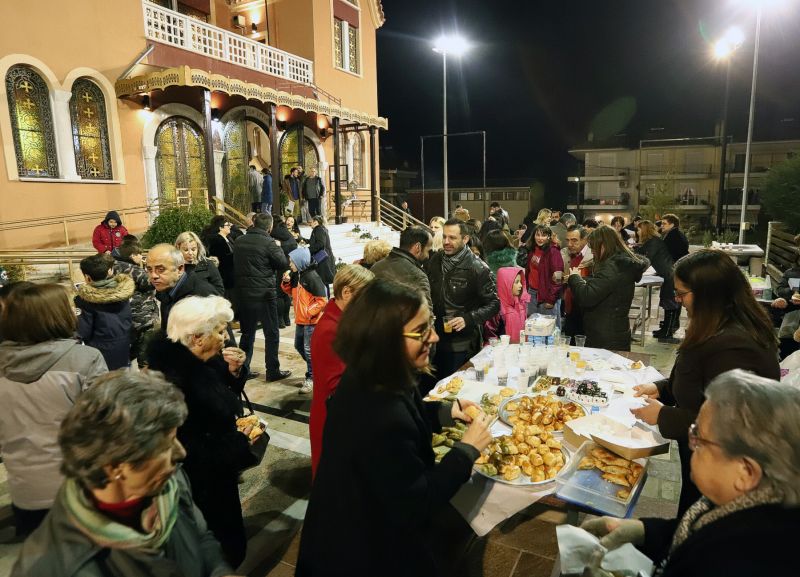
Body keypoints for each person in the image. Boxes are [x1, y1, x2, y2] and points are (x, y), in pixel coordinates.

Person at [296, 279, 493, 577]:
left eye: (432, 324)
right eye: (422, 330)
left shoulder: (374, 372)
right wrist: (466, 450)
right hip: (358, 552)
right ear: (385, 337)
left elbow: (408, 411)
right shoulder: (380, 413)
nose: (435, 337)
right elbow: (418, 502)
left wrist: (445, 411)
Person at [11, 369, 237, 577]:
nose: (181, 452)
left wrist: (220, 572)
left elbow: (200, 538)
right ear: (116, 465)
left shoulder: (169, 481)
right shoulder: (53, 566)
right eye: (166, 445)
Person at [582, 370, 800, 577]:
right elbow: (694, 532)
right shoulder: (742, 506)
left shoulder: (736, 562)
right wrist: (644, 531)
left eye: (700, 437)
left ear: (745, 472)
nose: (690, 442)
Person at [631, 249, 780, 515]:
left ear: (709, 294)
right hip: (705, 459)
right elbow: (698, 375)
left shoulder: (736, 345)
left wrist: (663, 415)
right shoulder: (713, 325)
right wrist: (663, 388)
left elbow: (731, 422)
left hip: (726, 473)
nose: (679, 301)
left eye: (682, 294)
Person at [146, 296, 256, 567]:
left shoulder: (200, 361)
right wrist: (236, 446)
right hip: (202, 484)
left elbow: (222, 390)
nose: (224, 339)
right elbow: (186, 444)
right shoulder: (175, 381)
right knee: (214, 543)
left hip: (215, 475)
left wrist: (234, 370)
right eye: (219, 332)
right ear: (196, 337)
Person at [0, 283, 107, 536]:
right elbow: (106, 425)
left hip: (25, 491)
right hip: (81, 488)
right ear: (57, 314)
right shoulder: (86, 359)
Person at [309, 265, 374, 477]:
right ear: (347, 292)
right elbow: (337, 387)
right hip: (336, 421)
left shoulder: (344, 321)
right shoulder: (331, 330)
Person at [426, 219, 499, 380]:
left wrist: (468, 318)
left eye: (452, 238)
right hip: (435, 338)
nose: (446, 242)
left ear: (465, 239)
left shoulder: (478, 267)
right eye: (444, 237)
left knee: (452, 391)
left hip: (462, 343)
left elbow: (494, 304)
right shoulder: (435, 260)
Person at [567, 226, 649, 351]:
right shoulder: (620, 265)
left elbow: (587, 296)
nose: (592, 251)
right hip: (615, 332)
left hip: (605, 337)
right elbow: (604, 286)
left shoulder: (612, 267)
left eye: (594, 247)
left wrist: (574, 278)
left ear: (603, 246)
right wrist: (586, 280)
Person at [232, 213, 291, 381]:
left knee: (247, 333)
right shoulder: (269, 243)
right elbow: (282, 263)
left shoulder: (239, 241)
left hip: (244, 294)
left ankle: (243, 370)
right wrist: (279, 247)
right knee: (271, 333)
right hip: (265, 294)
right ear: (269, 227)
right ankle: (272, 371)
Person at [74, 254, 134, 371]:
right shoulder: (123, 292)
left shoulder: (85, 300)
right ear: (110, 271)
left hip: (100, 351)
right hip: (124, 346)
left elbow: (83, 331)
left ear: (87, 277)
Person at [281, 247, 327, 394]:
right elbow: (291, 293)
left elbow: (322, 300)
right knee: (299, 346)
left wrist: (308, 312)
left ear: (299, 261)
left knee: (308, 350)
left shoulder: (312, 277)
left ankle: (312, 377)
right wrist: (286, 282)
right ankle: (317, 371)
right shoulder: (297, 275)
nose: (290, 264)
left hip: (311, 321)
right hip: (301, 320)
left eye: (292, 262)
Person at [145, 244, 216, 331]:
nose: (153, 276)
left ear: (180, 269)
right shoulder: (165, 290)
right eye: (149, 270)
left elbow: (220, 337)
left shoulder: (202, 294)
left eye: (160, 270)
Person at [112, 240, 158, 363]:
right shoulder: (132, 269)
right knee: (145, 354)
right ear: (132, 256)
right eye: (139, 254)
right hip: (141, 316)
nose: (141, 257)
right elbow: (150, 283)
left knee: (129, 350)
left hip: (123, 315)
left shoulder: (113, 266)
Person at [635, 219, 679, 341]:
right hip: (667, 273)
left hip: (669, 275)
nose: (637, 232)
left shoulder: (653, 242)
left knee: (669, 303)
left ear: (644, 230)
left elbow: (645, 259)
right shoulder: (653, 241)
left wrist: (636, 272)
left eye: (639, 229)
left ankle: (667, 333)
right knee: (667, 302)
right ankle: (665, 330)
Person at [371, 226, 433, 305]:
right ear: (418, 247)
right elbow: (426, 314)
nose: (428, 256)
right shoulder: (418, 276)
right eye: (428, 251)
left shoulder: (376, 267)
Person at [517, 224, 564, 321]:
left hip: (547, 295)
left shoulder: (553, 251)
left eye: (543, 235)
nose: (540, 238)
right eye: (537, 235)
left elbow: (558, 278)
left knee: (549, 328)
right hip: (532, 293)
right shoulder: (532, 249)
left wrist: (551, 299)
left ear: (548, 237)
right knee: (533, 328)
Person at [561, 225, 593, 337]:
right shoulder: (568, 254)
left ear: (585, 239)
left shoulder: (593, 258)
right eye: (568, 240)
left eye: (574, 241)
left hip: (585, 311)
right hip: (570, 308)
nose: (570, 244)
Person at [484, 266, 530, 344]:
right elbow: (490, 335)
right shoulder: (497, 308)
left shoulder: (521, 304)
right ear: (506, 284)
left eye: (521, 282)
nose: (520, 285)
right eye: (516, 282)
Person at [175, 231, 225, 296]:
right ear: (178, 248)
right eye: (186, 250)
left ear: (198, 248)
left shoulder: (208, 264)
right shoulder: (173, 266)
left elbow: (220, 290)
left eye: (193, 249)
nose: (190, 253)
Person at [270, 215, 298, 328]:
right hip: (290, 264)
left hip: (280, 264)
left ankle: (280, 320)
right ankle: (287, 319)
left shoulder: (274, 232)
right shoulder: (286, 232)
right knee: (286, 293)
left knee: (279, 293)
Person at [202, 215, 236, 298]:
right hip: (224, 277)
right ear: (221, 227)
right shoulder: (217, 240)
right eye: (227, 225)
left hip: (231, 276)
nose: (230, 227)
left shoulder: (228, 238)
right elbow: (222, 259)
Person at [308, 216, 336, 295]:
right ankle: (325, 301)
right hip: (324, 259)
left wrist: (308, 250)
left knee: (322, 282)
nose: (310, 224)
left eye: (311, 222)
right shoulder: (321, 229)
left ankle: (325, 302)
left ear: (315, 222)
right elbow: (315, 242)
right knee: (323, 281)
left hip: (322, 260)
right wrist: (300, 238)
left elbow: (320, 244)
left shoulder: (318, 229)